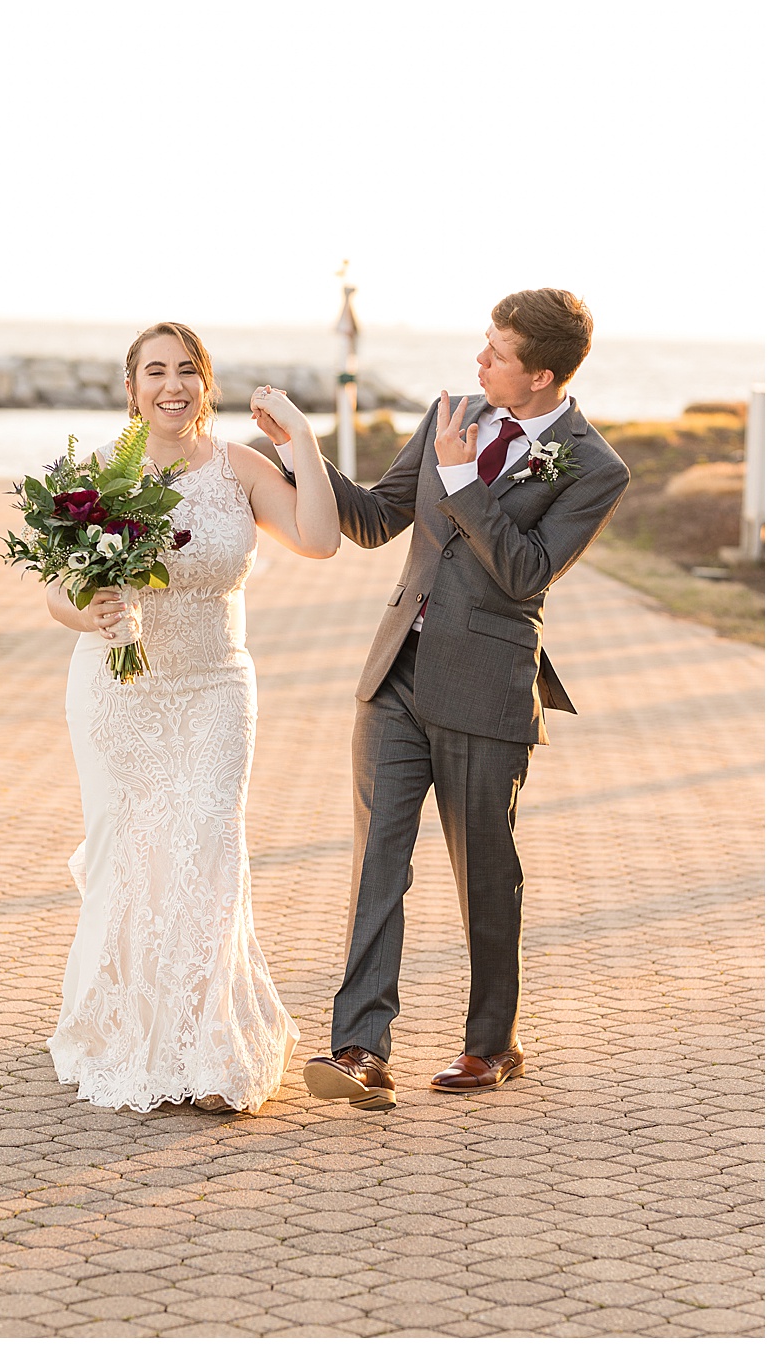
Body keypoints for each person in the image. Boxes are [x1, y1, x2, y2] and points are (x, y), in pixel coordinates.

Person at [270, 289, 630, 1111]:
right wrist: (304, 447)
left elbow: (528, 571)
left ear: (539, 375)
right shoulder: (448, 414)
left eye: (496, 354)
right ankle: (359, 1048)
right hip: (396, 674)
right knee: (378, 867)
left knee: (486, 874)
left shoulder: (596, 466)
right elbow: (373, 519)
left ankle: (491, 1045)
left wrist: (468, 479)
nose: (479, 363)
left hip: (487, 687)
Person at [44, 322, 340, 1115]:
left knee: (208, 843)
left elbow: (320, 539)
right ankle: (127, 1032)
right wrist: (92, 611)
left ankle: (209, 1048)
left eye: (186, 371)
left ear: (205, 382)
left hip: (215, 686)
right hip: (120, 690)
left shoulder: (240, 468)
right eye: (154, 373)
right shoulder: (100, 475)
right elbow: (54, 590)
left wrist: (303, 443)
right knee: (132, 851)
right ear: (132, 387)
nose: (171, 386)